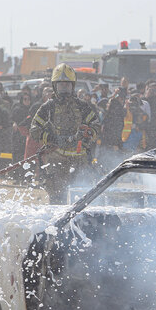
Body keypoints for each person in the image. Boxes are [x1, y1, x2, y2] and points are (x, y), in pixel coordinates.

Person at [29, 63, 98, 204]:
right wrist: (53, 139)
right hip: (56, 161)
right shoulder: (48, 107)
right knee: (57, 201)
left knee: (81, 201)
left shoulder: (82, 106)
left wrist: (88, 134)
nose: (65, 89)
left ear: (73, 86)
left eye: (67, 85)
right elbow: (34, 129)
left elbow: (95, 124)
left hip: (80, 162)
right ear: (55, 86)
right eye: (61, 85)